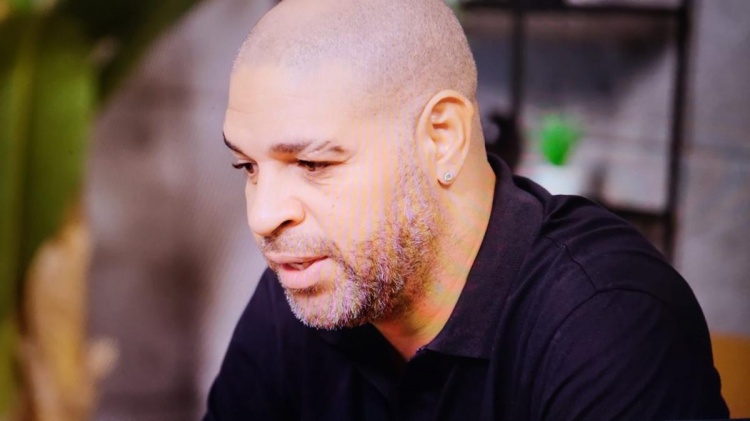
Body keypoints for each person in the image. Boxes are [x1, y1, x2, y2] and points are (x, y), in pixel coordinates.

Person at [204, 0, 729, 419]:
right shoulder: (309, 286)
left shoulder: (607, 321)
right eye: (247, 166)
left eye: (313, 163)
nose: (264, 216)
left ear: (443, 139)